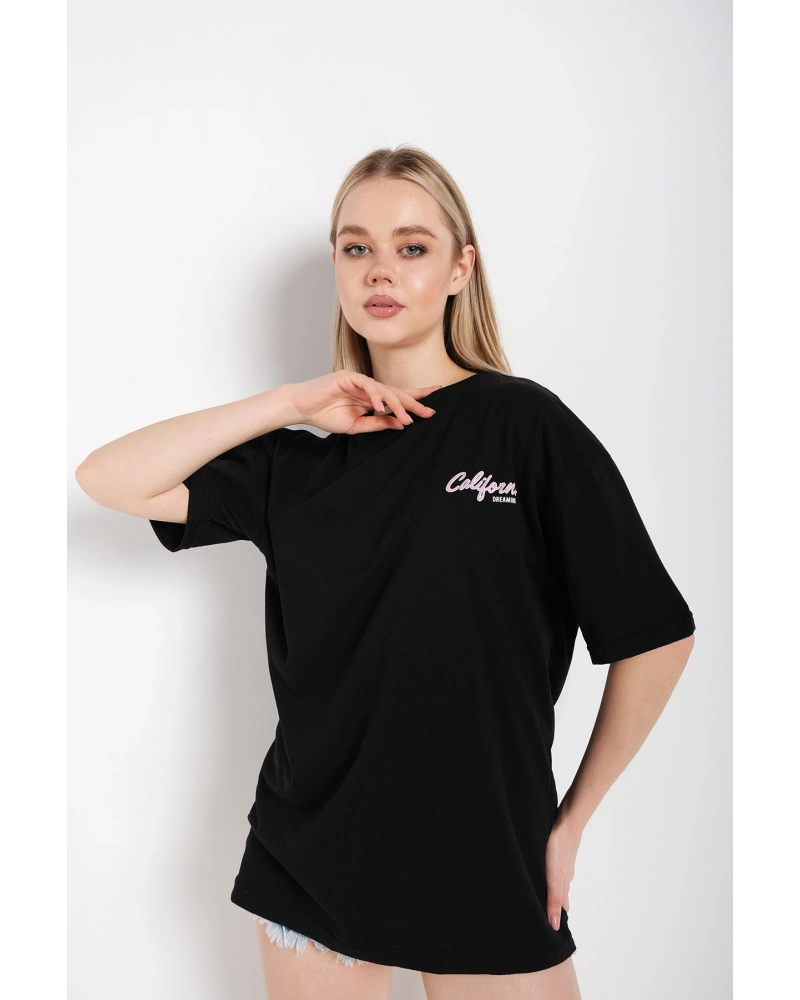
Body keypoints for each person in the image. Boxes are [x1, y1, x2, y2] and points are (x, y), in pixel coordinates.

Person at [75, 145, 696, 1000]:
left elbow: (656, 636)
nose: (380, 270)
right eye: (355, 247)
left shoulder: (525, 427)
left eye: (412, 247)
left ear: (459, 269)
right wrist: (291, 403)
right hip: (313, 862)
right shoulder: (297, 466)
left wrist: (571, 822)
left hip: (489, 854)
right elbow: (108, 478)